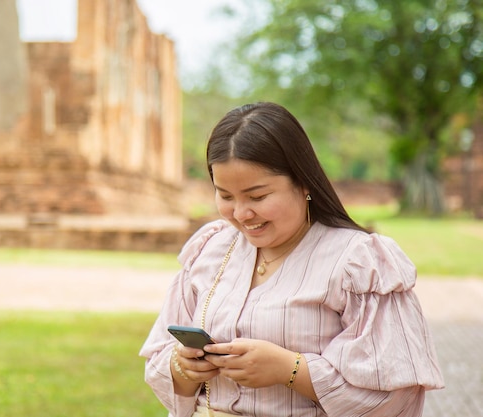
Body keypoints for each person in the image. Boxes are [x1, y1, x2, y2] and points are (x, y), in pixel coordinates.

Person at [139, 102, 444, 417]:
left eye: (258, 197)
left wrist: (290, 369)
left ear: (303, 183)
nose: (241, 214)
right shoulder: (211, 250)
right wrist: (184, 366)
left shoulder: (357, 263)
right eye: (226, 196)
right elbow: (161, 362)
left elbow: (392, 392)